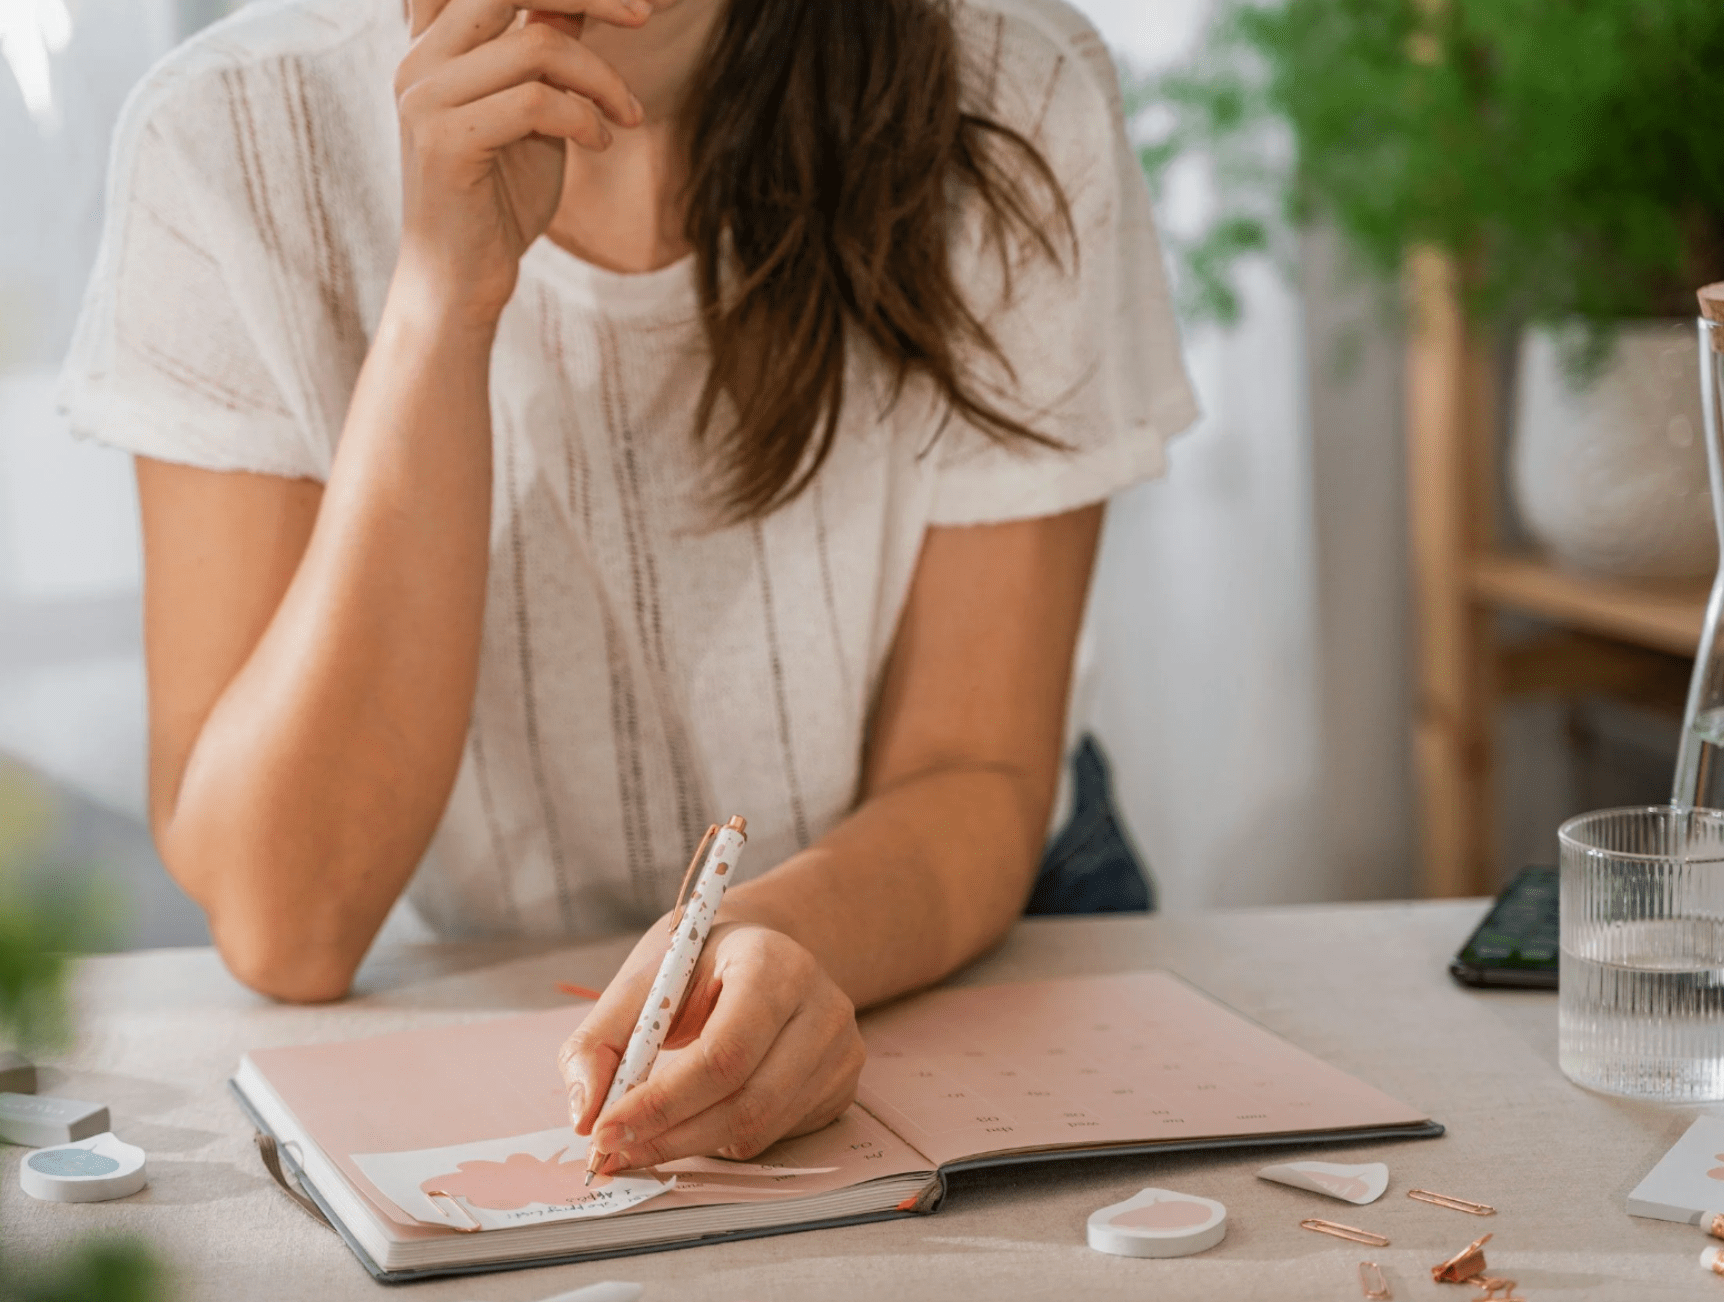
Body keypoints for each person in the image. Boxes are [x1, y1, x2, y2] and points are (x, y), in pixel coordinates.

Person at [60, 0, 1195, 1176]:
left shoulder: (1010, 80)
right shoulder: (227, 133)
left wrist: (762, 938)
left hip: (954, 933)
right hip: (513, 999)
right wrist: (443, 300)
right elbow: (286, 920)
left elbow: (974, 768)